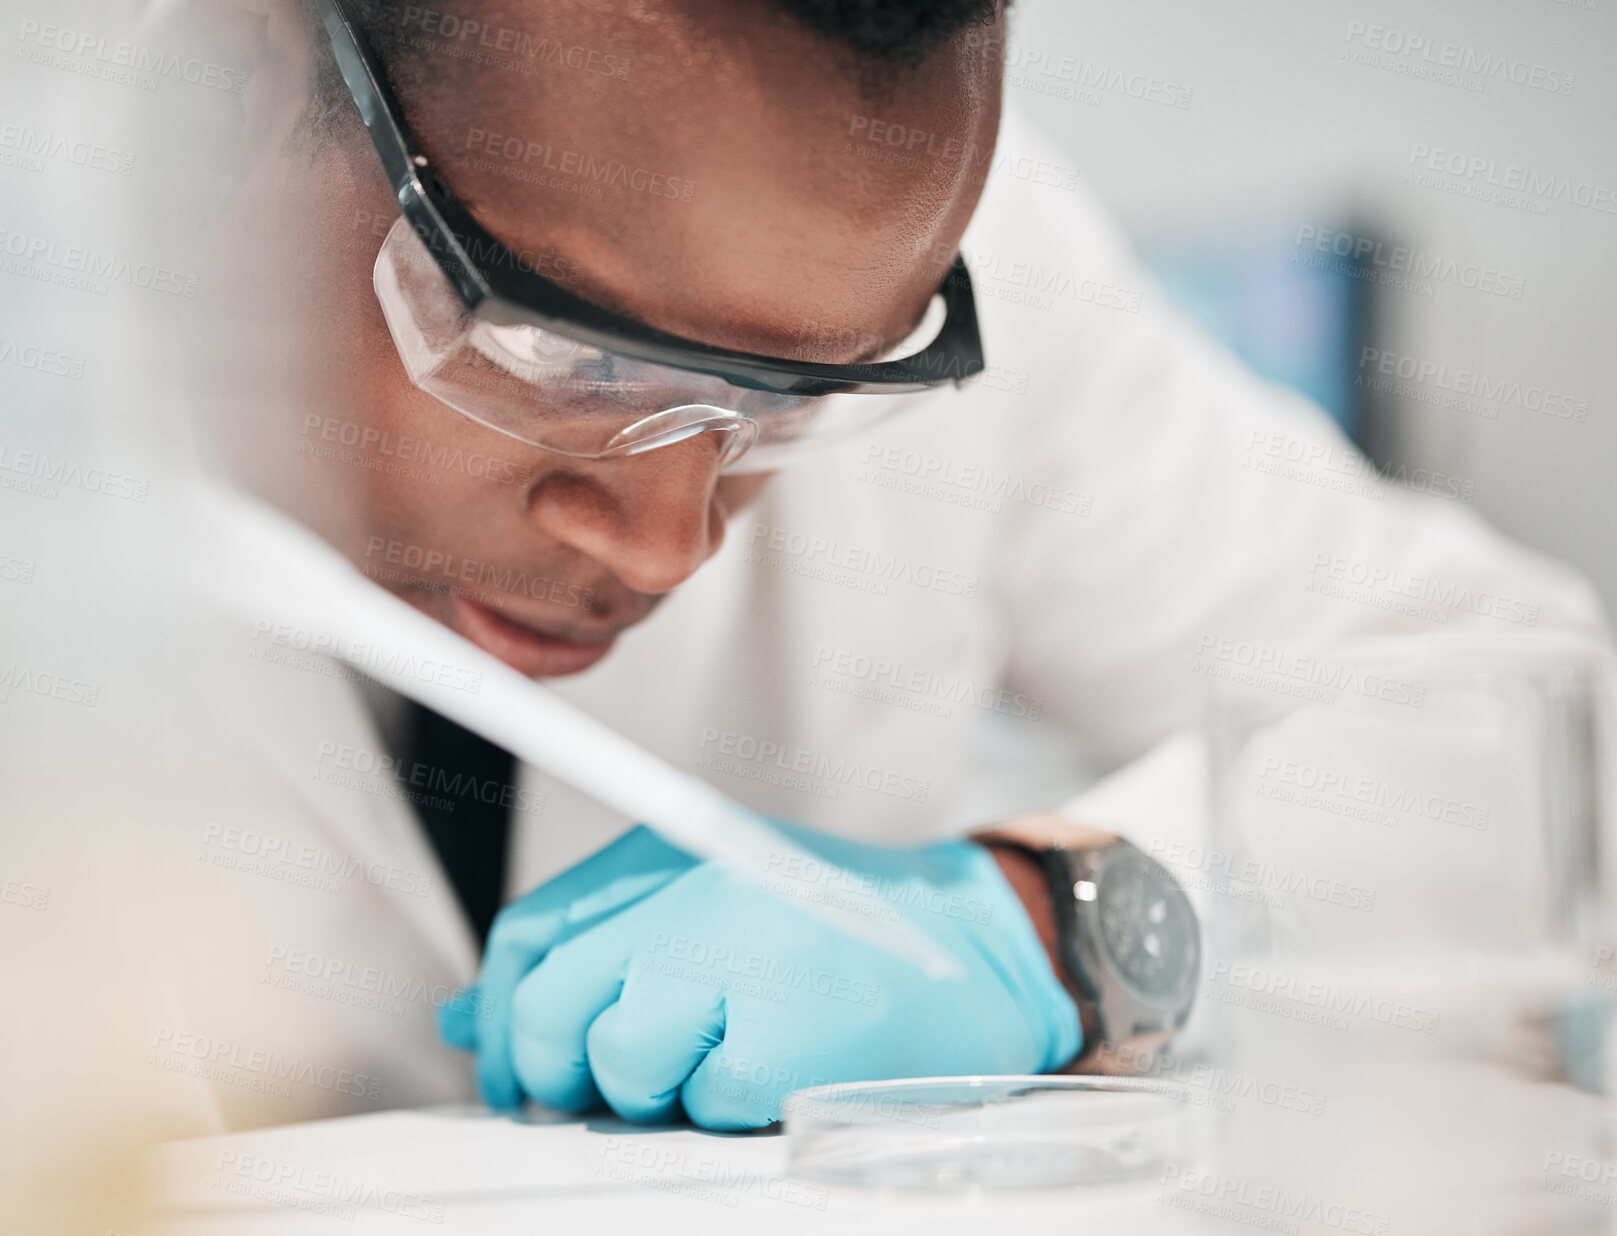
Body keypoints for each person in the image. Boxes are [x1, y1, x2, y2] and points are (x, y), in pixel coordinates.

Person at [5, 0, 1607, 1174]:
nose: (667, 541)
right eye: (567, 360)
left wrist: (1068, 929)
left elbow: (1520, 711)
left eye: (799, 405)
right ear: (234, 76)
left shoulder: (894, 260)